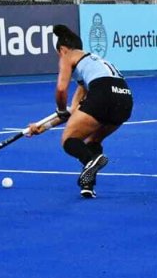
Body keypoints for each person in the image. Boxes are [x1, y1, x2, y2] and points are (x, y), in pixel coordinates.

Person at [26, 24, 133, 198]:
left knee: (69, 140)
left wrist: (60, 109)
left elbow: (61, 90)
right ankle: (88, 184)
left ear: (62, 49)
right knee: (92, 139)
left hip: (104, 93)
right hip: (125, 99)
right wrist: (43, 126)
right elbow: (73, 112)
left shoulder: (68, 56)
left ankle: (90, 161)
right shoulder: (92, 67)